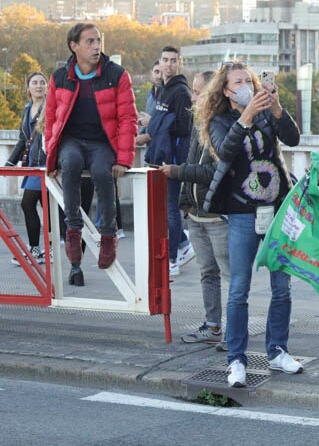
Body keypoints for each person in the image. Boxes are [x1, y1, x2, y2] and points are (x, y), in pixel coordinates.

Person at [201, 61, 302, 388]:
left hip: (275, 209)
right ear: (226, 91)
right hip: (242, 212)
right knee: (239, 288)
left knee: (282, 287)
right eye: (238, 82)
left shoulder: (264, 114)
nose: (245, 86)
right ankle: (237, 359)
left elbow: (293, 138)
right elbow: (224, 149)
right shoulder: (220, 121)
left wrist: (276, 109)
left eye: (249, 80)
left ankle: (277, 349)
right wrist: (244, 119)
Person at [45, 23, 138, 284]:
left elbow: (128, 118)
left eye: (98, 40)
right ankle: (72, 230)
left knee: (101, 171)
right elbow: (50, 119)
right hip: (72, 140)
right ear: (74, 47)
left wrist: (123, 159)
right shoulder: (60, 76)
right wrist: (50, 158)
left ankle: (108, 236)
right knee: (71, 163)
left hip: (102, 142)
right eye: (90, 42)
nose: (97, 46)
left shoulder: (116, 74)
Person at [158, 70, 230, 347]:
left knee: (230, 276)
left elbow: (214, 170)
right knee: (207, 273)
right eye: (193, 90)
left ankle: (233, 333)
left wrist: (177, 171)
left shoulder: (223, 125)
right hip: (197, 215)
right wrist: (186, 205)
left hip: (219, 217)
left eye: (199, 91)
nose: (193, 96)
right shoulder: (199, 123)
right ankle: (213, 327)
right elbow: (192, 162)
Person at [145, 46, 194, 277]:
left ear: (179, 63)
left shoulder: (181, 91)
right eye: (165, 60)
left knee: (171, 210)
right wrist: (158, 121)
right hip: (161, 154)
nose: (168, 64)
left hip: (173, 158)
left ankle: (173, 258)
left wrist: (156, 121)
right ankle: (184, 245)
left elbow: (184, 126)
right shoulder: (163, 89)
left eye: (173, 60)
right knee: (166, 208)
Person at [6, 72, 49, 265]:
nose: (39, 86)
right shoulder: (27, 109)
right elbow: (23, 139)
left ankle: (41, 250)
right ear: (28, 87)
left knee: (34, 205)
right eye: (34, 82)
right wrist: (9, 163)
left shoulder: (51, 107)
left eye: (42, 82)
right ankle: (39, 251)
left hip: (46, 164)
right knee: (39, 207)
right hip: (32, 165)